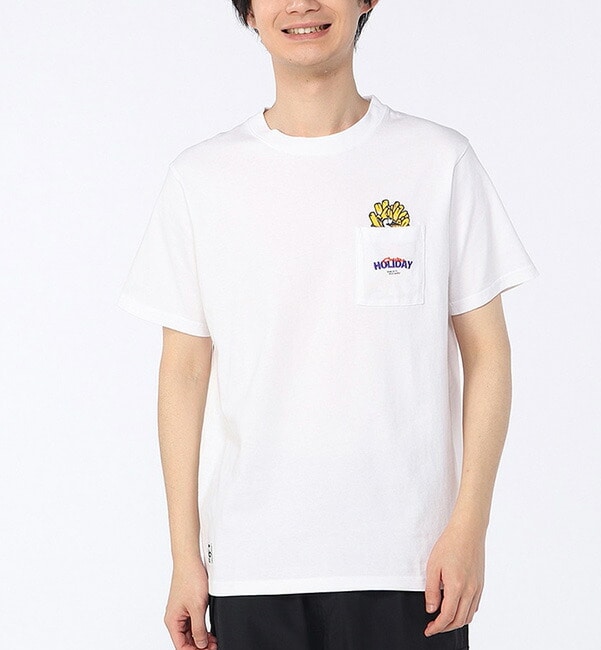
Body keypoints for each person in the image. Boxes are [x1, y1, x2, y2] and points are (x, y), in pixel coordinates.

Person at [117, 0, 539, 648]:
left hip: (410, 567)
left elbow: (488, 354)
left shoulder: (438, 161)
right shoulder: (200, 180)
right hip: (252, 567)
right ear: (249, 12)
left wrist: (470, 526)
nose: (303, 5)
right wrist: (183, 556)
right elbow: (184, 372)